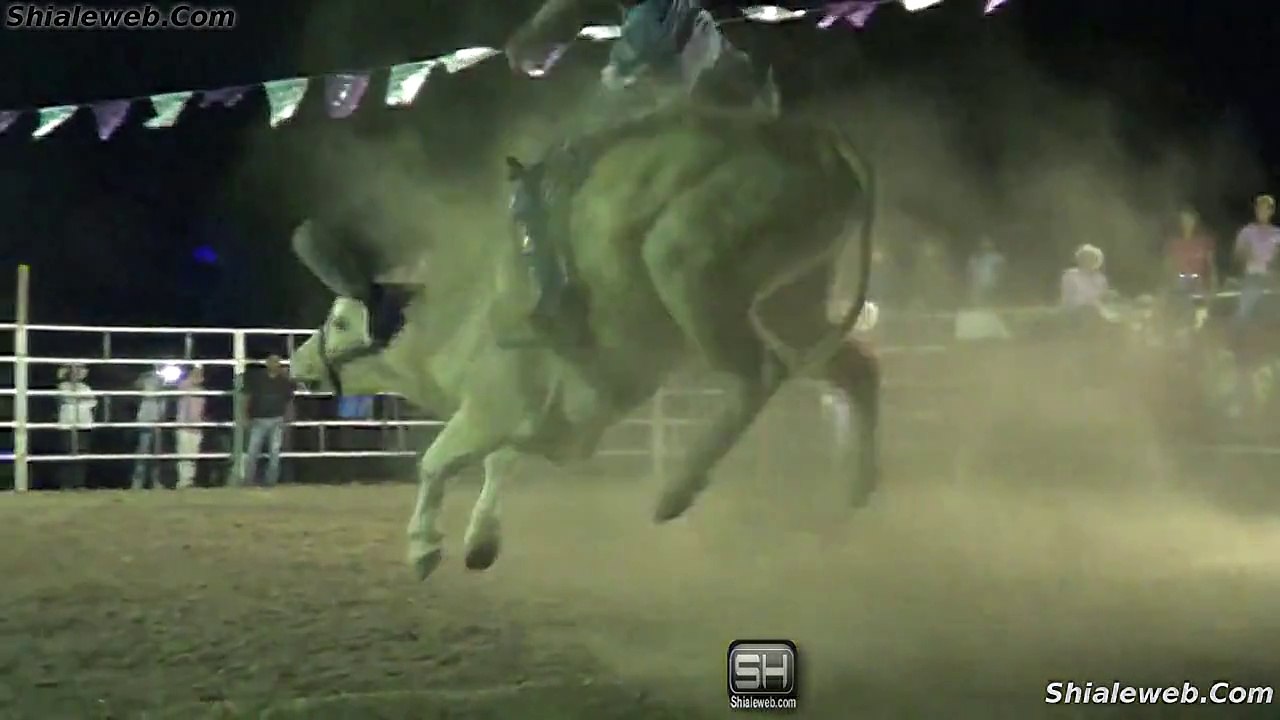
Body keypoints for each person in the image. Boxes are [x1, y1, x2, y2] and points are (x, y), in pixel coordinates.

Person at [500, 0, 775, 347]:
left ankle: (560, 302)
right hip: (746, 102)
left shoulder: (648, 23)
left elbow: (619, 98)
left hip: (687, 115)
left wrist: (578, 135)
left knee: (537, 188)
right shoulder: (682, 11)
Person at [242, 355, 295, 487]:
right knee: (254, 451)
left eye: (276, 362)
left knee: (273, 452)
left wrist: (288, 418)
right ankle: (250, 479)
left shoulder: (283, 381)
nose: (274, 364)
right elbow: (247, 397)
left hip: (275, 419)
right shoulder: (259, 379)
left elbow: (289, 401)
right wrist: (245, 415)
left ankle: (269, 480)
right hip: (260, 419)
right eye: (272, 362)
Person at [1232, 194, 1280, 328]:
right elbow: (1237, 256)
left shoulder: (1277, 234)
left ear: (1271, 211)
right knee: (1244, 308)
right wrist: (1245, 253)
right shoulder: (1247, 232)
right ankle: (1236, 341)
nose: (1262, 212)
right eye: (1259, 209)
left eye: (1266, 209)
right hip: (1252, 277)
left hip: (1273, 277)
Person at [55, 364, 95, 490]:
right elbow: (67, 398)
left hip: (83, 423)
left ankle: (79, 483)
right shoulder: (63, 386)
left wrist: (79, 399)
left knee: (82, 454)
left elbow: (92, 402)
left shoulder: (86, 387)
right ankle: (66, 483)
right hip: (68, 423)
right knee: (68, 453)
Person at [130, 370, 167, 490]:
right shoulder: (145, 378)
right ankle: (137, 482)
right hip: (145, 419)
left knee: (156, 453)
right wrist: (147, 376)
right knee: (143, 452)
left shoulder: (163, 383)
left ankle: (155, 481)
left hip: (158, 420)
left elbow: (164, 403)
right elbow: (136, 386)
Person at [174, 365, 205, 489]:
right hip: (184, 426)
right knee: (184, 454)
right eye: (196, 372)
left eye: (200, 373)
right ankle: (183, 481)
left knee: (193, 455)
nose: (198, 375)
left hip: (196, 427)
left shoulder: (202, 391)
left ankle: (189, 480)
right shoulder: (185, 385)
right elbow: (181, 386)